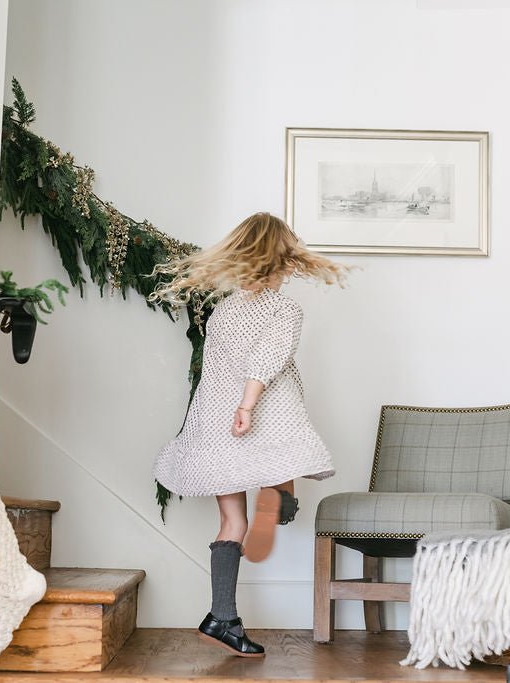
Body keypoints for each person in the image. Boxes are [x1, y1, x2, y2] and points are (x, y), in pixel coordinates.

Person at [150, 211, 347, 658]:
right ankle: (281, 497)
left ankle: (222, 617)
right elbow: (267, 361)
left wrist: (227, 412)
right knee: (287, 456)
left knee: (232, 523)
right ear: (282, 260)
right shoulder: (284, 309)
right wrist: (247, 405)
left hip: (212, 422)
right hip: (259, 415)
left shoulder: (225, 309)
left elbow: (219, 366)